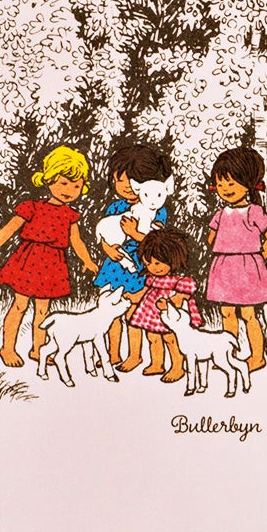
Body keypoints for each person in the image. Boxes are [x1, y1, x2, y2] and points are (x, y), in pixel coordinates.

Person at [0, 147, 100, 368]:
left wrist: (87, 260)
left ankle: (38, 349)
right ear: (49, 179)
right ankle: (7, 348)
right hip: (29, 261)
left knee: (43, 310)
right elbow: (9, 229)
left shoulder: (70, 215)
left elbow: (76, 241)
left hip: (53, 265)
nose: (69, 190)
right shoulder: (32, 207)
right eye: (63, 183)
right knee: (20, 305)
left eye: (76, 186)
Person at [94, 141, 172, 368]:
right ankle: (113, 354)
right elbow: (106, 234)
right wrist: (107, 249)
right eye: (120, 180)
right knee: (110, 313)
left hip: (140, 265)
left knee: (133, 313)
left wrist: (134, 234)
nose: (127, 186)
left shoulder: (156, 208)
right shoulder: (115, 207)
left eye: (133, 179)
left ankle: (134, 355)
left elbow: (156, 240)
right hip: (114, 265)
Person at [203, 146, 267, 374]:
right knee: (227, 313)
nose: (225, 189)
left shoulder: (254, 211)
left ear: (248, 183)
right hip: (224, 268)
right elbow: (210, 238)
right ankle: (231, 355)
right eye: (221, 184)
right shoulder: (220, 214)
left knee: (248, 314)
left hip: (248, 269)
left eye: (231, 183)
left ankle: (257, 356)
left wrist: (258, 260)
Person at [125, 227, 206, 382]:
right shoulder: (153, 279)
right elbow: (144, 291)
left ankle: (177, 367)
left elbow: (183, 295)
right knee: (152, 337)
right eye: (148, 263)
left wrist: (172, 302)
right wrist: (133, 296)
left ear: (173, 259)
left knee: (171, 339)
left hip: (169, 316)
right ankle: (157, 363)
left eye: (157, 263)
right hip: (151, 314)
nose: (153, 267)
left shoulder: (179, 281)